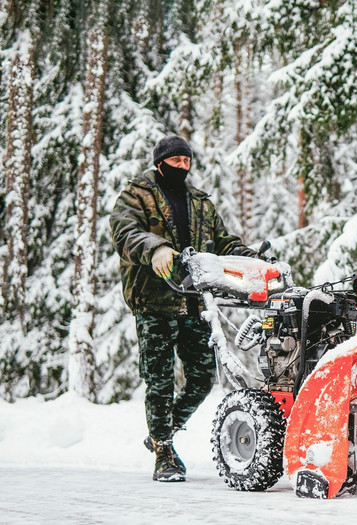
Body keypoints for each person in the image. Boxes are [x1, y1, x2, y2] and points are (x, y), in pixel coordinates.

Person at [110, 135, 257, 482]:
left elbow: (224, 242)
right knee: (159, 380)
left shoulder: (200, 203)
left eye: (186, 162)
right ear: (160, 162)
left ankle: (163, 431)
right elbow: (124, 233)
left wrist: (253, 258)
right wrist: (155, 248)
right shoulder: (136, 196)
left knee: (202, 376)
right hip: (155, 301)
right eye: (175, 161)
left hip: (193, 301)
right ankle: (164, 453)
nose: (182, 167)